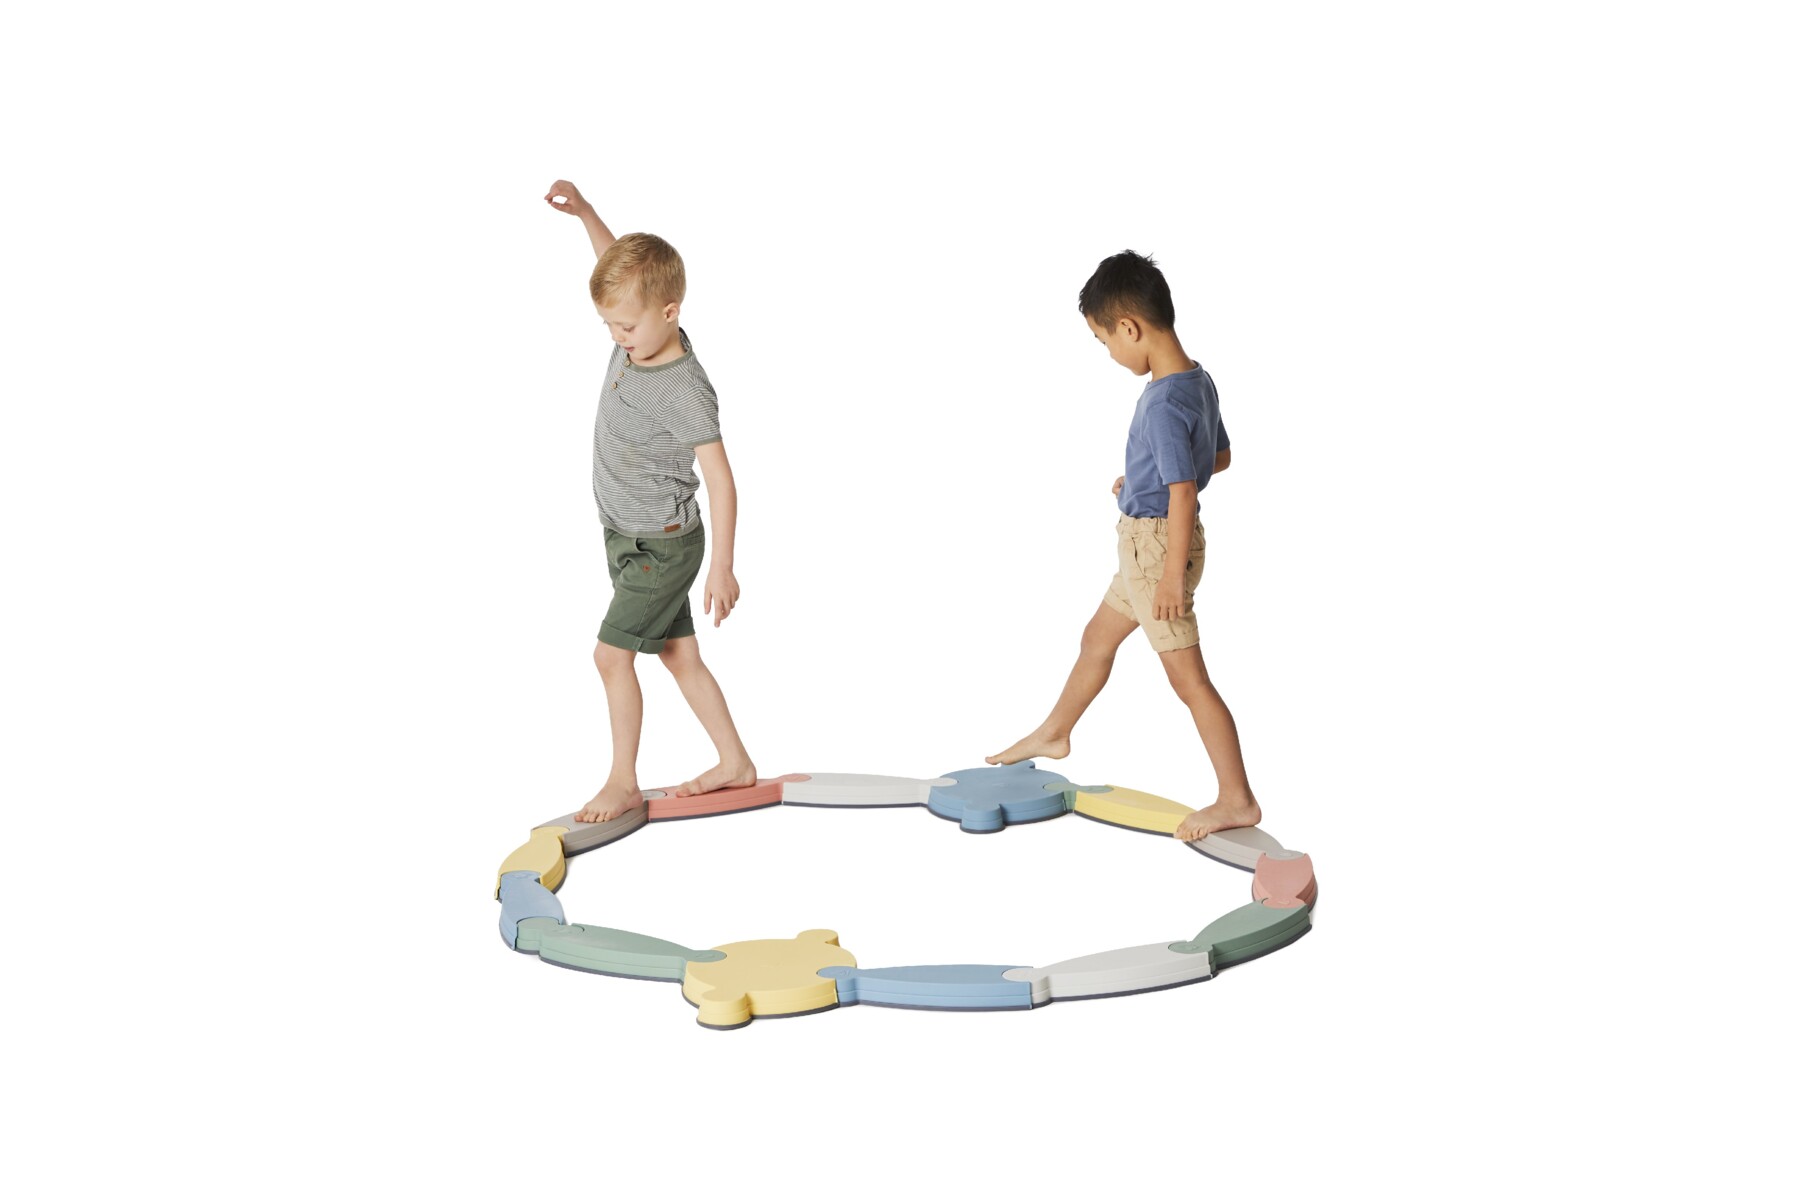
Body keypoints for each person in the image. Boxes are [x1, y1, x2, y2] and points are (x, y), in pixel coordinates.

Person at [987, 250, 1261, 842]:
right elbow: (1218, 457)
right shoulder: (1196, 380)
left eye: (1103, 339)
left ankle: (1237, 799)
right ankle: (1055, 732)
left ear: (1129, 328)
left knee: (1191, 683)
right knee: (1097, 639)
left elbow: (1182, 492)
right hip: (1151, 543)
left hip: (1156, 551)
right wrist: (1141, 480)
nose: (1109, 352)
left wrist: (1169, 577)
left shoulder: (1161, 402)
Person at [544, 179, 756, 823]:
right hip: (626, 533)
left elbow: (721, 478)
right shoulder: (638, 329)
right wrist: (587, 213)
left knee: (610, 657)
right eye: (609, 324)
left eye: (626, 325)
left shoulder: (683, 387)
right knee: (677, 653)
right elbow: (619, 271)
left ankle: (622, 782)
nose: (617, 336)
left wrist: (722, 566)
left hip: (660, 546)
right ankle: (734, 762)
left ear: (670, 312)